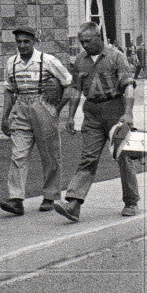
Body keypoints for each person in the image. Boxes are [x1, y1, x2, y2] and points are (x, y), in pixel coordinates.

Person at [54, 22, 139, 222]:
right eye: (82, 42)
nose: (85, 45)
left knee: (124, 156)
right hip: (92, 112)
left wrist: (128, 113)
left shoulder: (116, 57)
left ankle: (131, 201)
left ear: (99, 37)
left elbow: (128, 86)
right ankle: (74, 203)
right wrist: (71, 116)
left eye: (88, 41)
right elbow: (75, 90)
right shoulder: (79, 61)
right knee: (88, 157)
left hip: (115, 109)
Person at [0, 24, 72, 216]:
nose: (22, 45)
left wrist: (56, 109)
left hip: (42, 107)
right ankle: (16, 199)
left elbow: (68, 85)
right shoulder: (11, 63)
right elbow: (9, 90)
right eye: (19, 42)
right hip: (21, 107)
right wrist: (5, 117)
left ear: (34, 42)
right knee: (18, 154)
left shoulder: (47, 61)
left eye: (26, 42)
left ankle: (50, 195)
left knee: (49, 154)